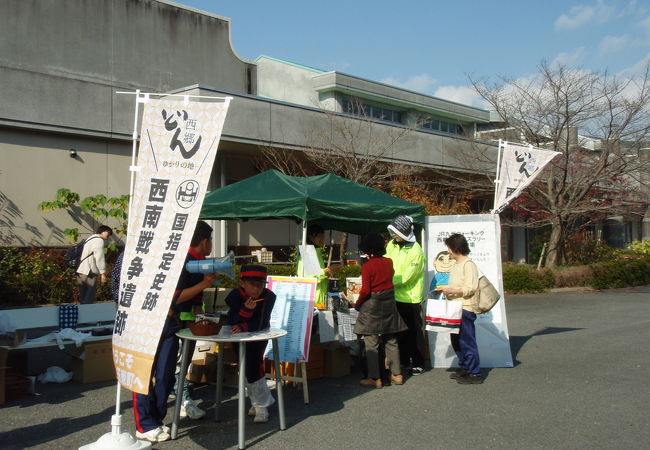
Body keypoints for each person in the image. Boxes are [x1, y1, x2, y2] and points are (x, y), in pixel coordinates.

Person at [132, 220, 216, 442]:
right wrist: (204, 284)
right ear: (205, 241)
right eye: (211, 240)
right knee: (144, 372)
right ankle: (144, 424)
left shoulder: (198, 261)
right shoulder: (179, 260)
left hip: (174, 324)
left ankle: (156, 420)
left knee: (166, 373)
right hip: (151, 321)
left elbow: (196, 299)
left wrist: (199, 315)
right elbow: (175, 295)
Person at [354, 233, 406, 388]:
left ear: (367, 250)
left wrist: (358, 303)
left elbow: (365, 290)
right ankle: (397, 375)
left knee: (371, 342)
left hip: (372, 306)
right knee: (391, 340)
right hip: (389, 304)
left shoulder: (367, 266)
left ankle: (374, 378)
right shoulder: (388, 262)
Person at [225, 264, 277, 423]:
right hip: (238, 336)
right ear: (242, 283)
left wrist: (243, 322)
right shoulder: (233, 296)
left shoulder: (269, 296)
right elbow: (232, 320)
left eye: (260, 285)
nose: (257, 289)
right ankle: (257, 402)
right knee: (244, 368)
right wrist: (244, 314)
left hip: (259, 335)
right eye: (252, 285)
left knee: (254, 366)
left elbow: (261, 322)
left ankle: (262, 406)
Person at [439, 233, 484, 385]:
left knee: (467, 340)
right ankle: (465, 367)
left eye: (449, 248)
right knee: (456, 340)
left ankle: (474, 373)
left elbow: (471, 288)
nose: (448, 252)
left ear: (455, 248)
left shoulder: (468, 264)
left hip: (465, 307)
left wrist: (453, 291)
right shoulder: (457, 264)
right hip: (454, 307)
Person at [384, 215, 426, 376]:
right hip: (394, 296)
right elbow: (386, 263)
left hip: (411, 297)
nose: (393, 235)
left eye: (396, 232)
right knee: (399, 332)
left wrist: (385, 281)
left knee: (414, 331)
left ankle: (418, 362)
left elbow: (407, 276)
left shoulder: (416, 250)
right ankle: (402, 360)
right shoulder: (391, 246)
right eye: (392, 231)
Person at [296, 225, 340, 308]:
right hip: (312, 298)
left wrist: (326, 274)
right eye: (319, 236)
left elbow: (317, 273)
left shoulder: (316, 252)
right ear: (311, 237)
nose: (322, 238)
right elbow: (310, 276)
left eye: (323, 236)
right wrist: (328, 269)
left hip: (319, 296)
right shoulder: (307, 252)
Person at [76, 225, 112, 304]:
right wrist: (103, 273)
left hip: (81, 269)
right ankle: (88, 313)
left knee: (83, 296)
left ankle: (83, 312)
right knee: (89, 296)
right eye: (108, 233)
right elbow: (99, 258)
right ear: (103, 231)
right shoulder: (99, 241)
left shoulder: (90, 238)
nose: (109, 235)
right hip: (89, 271)